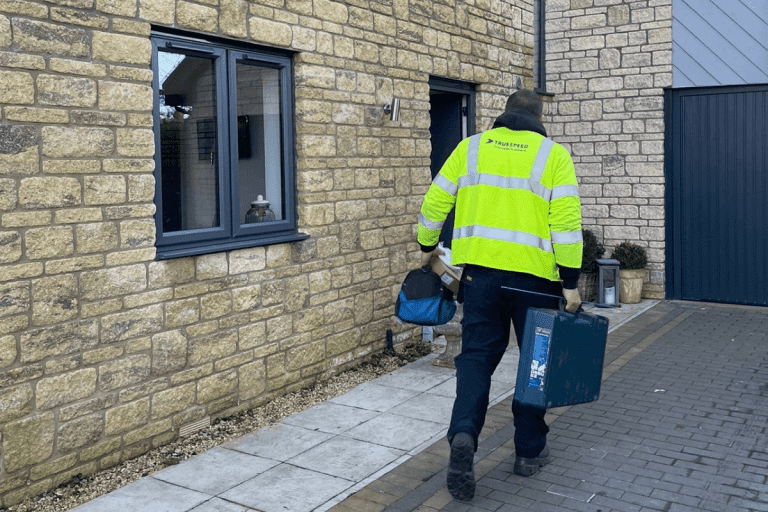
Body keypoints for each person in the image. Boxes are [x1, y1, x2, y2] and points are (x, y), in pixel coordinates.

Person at [416, 90, 583, 501]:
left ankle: (464, 436)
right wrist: (571, 281)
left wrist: (426, 244)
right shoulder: (553, 156)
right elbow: (565, 222)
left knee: (475, 359)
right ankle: (528, 451)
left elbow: (437, 197)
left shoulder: (470, 149)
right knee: (536, 363)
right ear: (539, 117)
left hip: (481, 280)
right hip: (536, 284)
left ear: (503, 115)